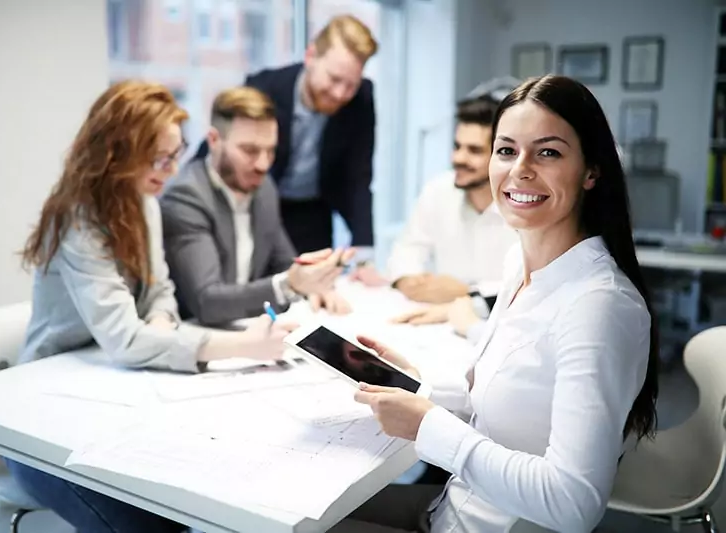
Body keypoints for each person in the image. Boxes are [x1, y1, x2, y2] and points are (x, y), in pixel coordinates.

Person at [331, 75, 660, 533]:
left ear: (591, 171)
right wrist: (415, 385)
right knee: (300, 512)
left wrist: (429, 428)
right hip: (453, 507)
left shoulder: (600, 307)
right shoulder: (520, 265)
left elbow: (574, 505)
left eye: (548, 152)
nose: (520, 169)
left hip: (485, 523)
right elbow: (496, 400)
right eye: (506, 150)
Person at [10, 81, 292, 533]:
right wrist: (243, 345)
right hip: (46, 417)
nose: (171, 169)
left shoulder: (143, 201)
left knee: (191, 500)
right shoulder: (78, 219)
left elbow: (160, 291)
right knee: (147, 524)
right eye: (159, 158)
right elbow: (124, 339)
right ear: (116, 153)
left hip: (118, 390)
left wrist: (160, 325)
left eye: (176, 155)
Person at [194, 15, 386, 286]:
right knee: (259, 288)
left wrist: (364, 256)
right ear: (310, 56)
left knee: (314, 291)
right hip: (256, 205)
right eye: (334, 79)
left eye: (350, 84)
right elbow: (212, 153)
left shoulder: (361, 100)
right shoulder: (265, 89)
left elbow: (359, 177)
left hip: (312, 210)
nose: (341, 93)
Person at [161, 86, 352, 326]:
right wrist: (290, 284)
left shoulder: (263, 189)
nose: (263, 164)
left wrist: (314, 282)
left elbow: (285, 263)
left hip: (248, 331)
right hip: (193, 338)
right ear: (214, 140)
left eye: (270, 151)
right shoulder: (186, 197)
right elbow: (207, 302)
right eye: (250, 151)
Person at [386, 78, 520, 306]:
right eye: (457, 146)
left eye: (474, 150)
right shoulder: (438, 191)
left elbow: (531, 287)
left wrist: (469, 292)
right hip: (437, 321)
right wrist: (407, 279)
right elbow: (407, 249)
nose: (458, 158)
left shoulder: (526, 205)